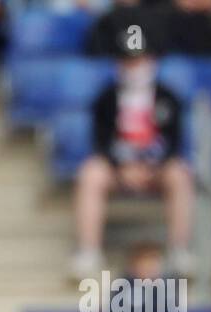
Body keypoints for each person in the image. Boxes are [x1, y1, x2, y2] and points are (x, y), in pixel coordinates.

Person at [71, 45, 194, 279]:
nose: (133, 67)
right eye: (128, 61)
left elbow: (174, 143)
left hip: (156, 170)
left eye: (138, 61)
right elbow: (100, 141)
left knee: (180, 173)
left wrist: (150, 166)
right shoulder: (106, 98)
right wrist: (122, 167)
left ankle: (180, 251)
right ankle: (88, 252)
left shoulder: (168, 97)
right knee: (91, 173)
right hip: (118, 171)